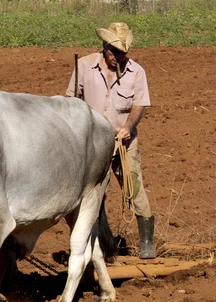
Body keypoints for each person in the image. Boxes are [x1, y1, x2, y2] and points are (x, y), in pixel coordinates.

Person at [65, 22, 155, 259]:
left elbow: (140, 104)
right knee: (93, 198)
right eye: (114, 51)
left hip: (124, 145)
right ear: (104, 47)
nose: (119, 57)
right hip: (93, 149)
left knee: (135, 192)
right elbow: (71, 101)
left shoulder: (137, 72)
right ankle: (99, 244)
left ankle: (147, 243)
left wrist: (128, 127)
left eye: (123, 52)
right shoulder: (84, 66)